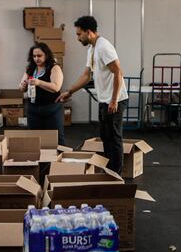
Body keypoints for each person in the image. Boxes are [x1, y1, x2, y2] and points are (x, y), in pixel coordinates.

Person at [57, 15, 128, 173]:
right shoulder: (92, 49)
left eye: (78, 34)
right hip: (105, 100)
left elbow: (118, 73)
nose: (77, 38)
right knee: (106, 137)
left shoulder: (104, 47)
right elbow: (86, 75)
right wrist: (69, 92)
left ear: (88, 32)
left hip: (115, 100)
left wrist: (114, 100)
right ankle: (110, 170)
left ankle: (116, 174)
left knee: (114, 138)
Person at [20, 42, 66, 145]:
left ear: (46, 55)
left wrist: (39, 82)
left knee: (56, 140)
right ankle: (39, 160)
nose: (36, 58)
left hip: (52, 108)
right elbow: (21, 86)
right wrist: (22, 86)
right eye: (34, 56)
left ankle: (57, 160)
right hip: (33, 109)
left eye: (39, 56)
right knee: (35, 140)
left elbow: (56, 87)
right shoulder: (31, 68)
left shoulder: (54, 68)